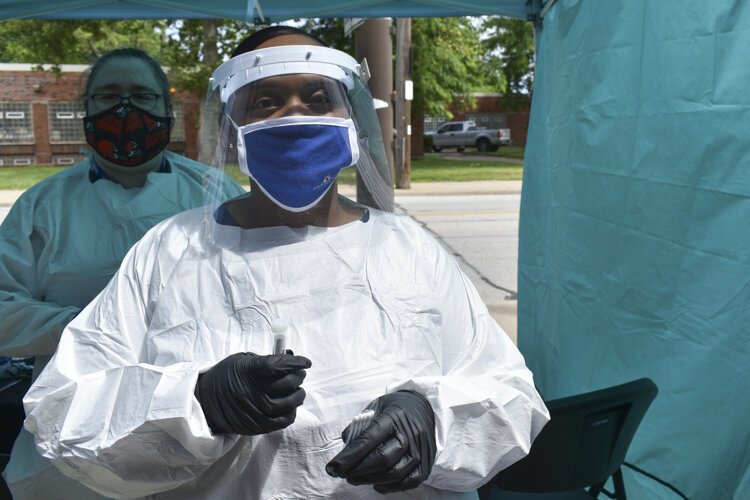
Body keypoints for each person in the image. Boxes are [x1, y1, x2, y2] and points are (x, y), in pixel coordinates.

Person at [23, 27, 549, 499]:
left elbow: (511, 396)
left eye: (319, 98)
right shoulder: (172, 251)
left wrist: (431, 421)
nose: (296, 114)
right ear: (232, 125)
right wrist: (196, 402)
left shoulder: (409, 247)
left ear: (350, 121)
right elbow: (62, 408)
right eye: (267, 100)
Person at [0, 48, 244, 499]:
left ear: (166, 109)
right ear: (86, 110)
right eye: (109, 95)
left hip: (197, 425)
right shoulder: (43, 206)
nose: (125, 110)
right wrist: (92, 330)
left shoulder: (215, 195)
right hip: (72, 435)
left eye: (142, 96)